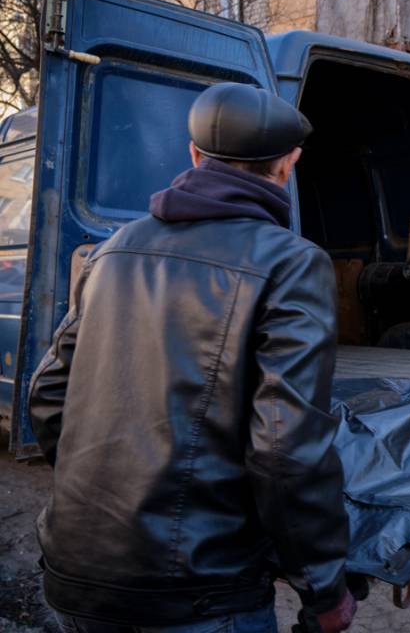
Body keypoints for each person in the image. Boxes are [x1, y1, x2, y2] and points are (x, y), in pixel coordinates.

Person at [29, 83, 358, 633]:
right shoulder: (293, 264)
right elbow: (284, 449)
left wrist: (105, 506)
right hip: (199, 593)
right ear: (288, 165)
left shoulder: (111, 252)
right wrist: (324, 587)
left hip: (74, 573)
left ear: (193, 155)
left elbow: (47, 398)